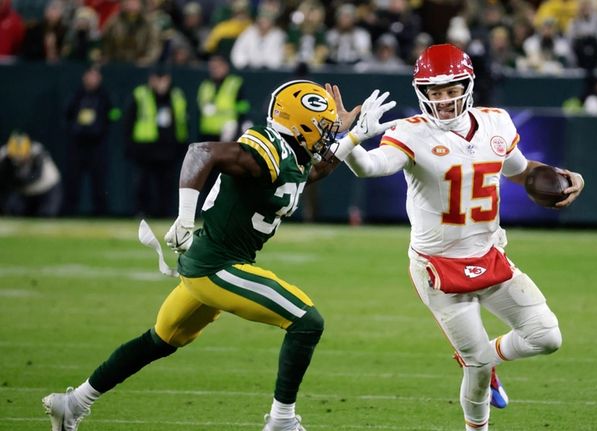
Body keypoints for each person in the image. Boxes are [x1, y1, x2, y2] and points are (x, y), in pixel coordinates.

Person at [41, 79, 397, 431]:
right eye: (322, 127)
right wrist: (184, 216)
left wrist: (351, 138)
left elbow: (307, 174)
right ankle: (282, 422)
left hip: (213, 265)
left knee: (159, 340)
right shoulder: (266, 149)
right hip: (217, 265)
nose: (327, 134)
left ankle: (72, 403)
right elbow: (201, 152)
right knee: (306, 321)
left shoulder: (293, 155)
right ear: (297, 124)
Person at [337, 44, 585, 431]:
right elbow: (370, 167)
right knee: (478, 366)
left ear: (468, 85)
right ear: (422, 93)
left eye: (451, 89)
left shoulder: (496, 123)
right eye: (435, 92)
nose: (445, 99)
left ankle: (485, 358)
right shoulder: (410, 132)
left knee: (547, 336)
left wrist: (566, 177)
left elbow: (520, 171)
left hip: (489, 255)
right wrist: (352, 141)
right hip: (439, 269)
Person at [124, 64, 189, 217]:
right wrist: (131, 146)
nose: (160, 82)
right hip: (146, 146)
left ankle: (165, 213)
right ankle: (141, 211)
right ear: (150, 80)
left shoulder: (176, 95)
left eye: (163, 78)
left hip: (168, 147)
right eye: (157, 78)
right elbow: (129, 121)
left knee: (167, 183)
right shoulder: (141, 94)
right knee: (143, 182)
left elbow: (182, 121)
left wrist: (181, 145)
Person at [64, 65, 117, 216]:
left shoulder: (105, 96)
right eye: (90, 75)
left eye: (96, 76)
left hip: (97, 146)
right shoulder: (76, 95)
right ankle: (69, 212)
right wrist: (75, 129)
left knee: (99, 182)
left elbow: (114, 114)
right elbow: (67, 115)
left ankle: (101, 213)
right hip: (77, 145)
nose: (93, 79)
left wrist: (101, 128)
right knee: (73, 180)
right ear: (84, 77)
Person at [0, 131, 63, 217]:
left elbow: (36, 175)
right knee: (14, 213)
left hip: (46, 189)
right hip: (24, 193)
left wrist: (18, 179)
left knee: (46, 215)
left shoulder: (37, 153)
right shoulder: (4, 155)